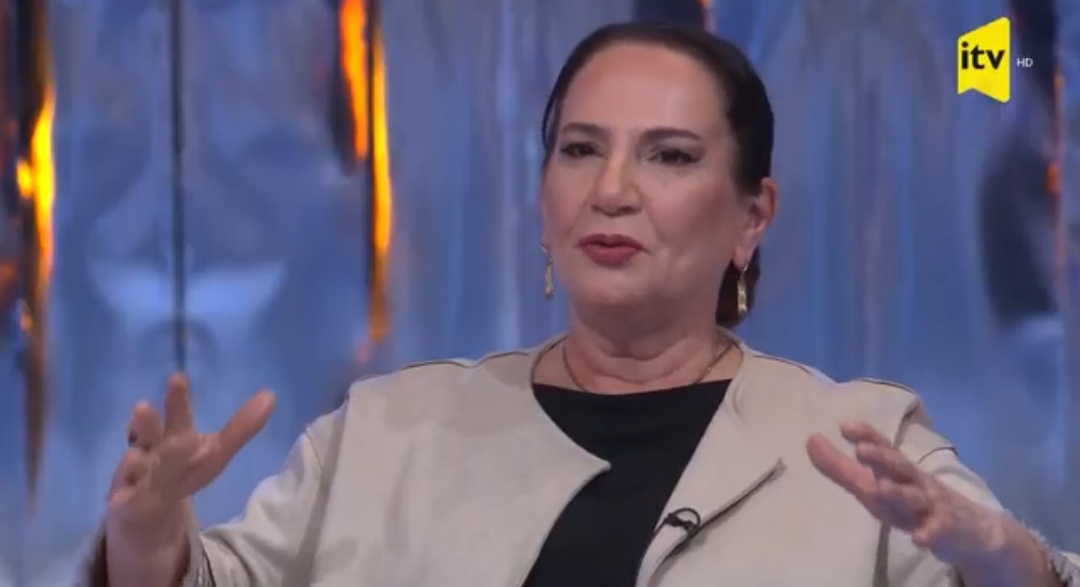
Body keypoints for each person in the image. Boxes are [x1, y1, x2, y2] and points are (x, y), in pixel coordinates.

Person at [80, 22, 1079, 587]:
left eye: (669, 156)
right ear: (544, 200)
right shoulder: (381, 435)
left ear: (752, 215)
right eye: (580, 149)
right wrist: (146, 541)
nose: (612, 189)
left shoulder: (863, 447)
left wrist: (1003, 555)